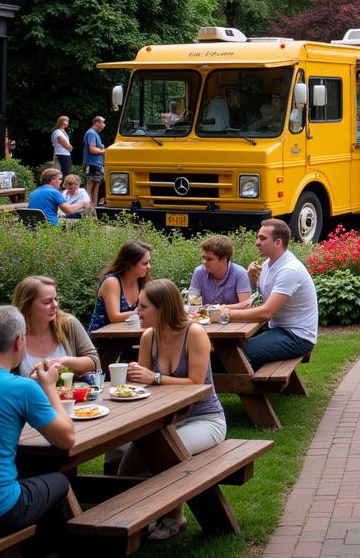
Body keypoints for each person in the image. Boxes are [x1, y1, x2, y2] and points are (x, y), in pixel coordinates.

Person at [121, 279, 227, 541]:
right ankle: (133, 519)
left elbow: (196, 383)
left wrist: (154, 378)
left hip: (205, 419)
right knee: (124, 472)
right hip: (165, 422)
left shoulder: (195, 333)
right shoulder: (149, 337)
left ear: (162, 308)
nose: (137, 314)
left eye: (143, 308)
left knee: (165, 456)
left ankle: (174, 517)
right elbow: (144, 386)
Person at [0, 306, 74, 549]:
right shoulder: (22, 388)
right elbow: (66, 439)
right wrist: (49, 387)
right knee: (60, 482)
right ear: (18, 342)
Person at [225, 219, 318, 365]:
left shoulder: (289, 270)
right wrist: (251, 279)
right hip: (277, 329)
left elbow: (266, 312)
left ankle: (248, 384)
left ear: (278, 242)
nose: (257, 242)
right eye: (258, 237)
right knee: (228, 345)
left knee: (236, 353)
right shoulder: (268, 264)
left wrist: (226, 315)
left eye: (262, 238)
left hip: (297, 337)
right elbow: (261, 301)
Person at [12, 276, 99, 378]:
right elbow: (1, 378)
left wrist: (65, 361)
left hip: (70, 393)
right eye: (47, 302)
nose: (55, 305)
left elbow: (94, 361)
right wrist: (31, 381)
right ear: (27, 306)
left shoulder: (68, 324)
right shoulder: (13, 334)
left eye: (55, 299)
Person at [88, 239, 151, 332]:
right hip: (102, 340)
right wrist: (139, 312)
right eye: (145, 263)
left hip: (127, 337)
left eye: (149, 262)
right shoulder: (112, 281)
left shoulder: (141, 281)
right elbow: (114, 316)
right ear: (130, 264)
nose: (149, 267)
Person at [188, 236, 252, 306]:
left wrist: (216, 309)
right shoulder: (199, 272)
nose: (204, 262)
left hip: (233, 316)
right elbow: (193, 303)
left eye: (209, 259)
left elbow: (246, 306)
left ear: (223, 260)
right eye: (203, 257)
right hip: (206, 316)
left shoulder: (239, 273)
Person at [82, 114, 107, 209]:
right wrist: (104, 150)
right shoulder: (91, 133)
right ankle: (88, 210)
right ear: (97, 123)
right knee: (90, 188)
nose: (104, 125)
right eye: (103, 123)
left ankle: (94, 210)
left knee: (96, 188)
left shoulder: (95, 134)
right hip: (92, 164)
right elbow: (92, 149)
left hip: (97, 164)